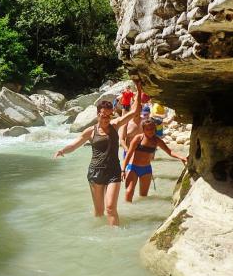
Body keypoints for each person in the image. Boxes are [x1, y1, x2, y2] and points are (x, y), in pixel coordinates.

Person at [53, 80, 142, 226]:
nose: (106, 118)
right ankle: (99, 237)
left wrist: (139, 89)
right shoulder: (90, 131)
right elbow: (75, 145)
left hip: (114, 172)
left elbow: (134, 112)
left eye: (109, 115)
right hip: (95, 173)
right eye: (103, 115)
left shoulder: (115, 125)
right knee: (99, 212)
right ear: (97, 114)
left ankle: (115, 237)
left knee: (110, 208)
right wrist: (62, 150)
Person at [121, 119, 187, 202]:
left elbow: (169, 152)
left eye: (152, 128)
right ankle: (128, 211)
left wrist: (181, 157)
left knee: (143, 196)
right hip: (133, 168)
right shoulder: (138, 138)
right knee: (129, 192)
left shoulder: (156, 140)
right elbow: (129, 154)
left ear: (155, 129)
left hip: (146, 170)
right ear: (143, 130)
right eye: (147, 129)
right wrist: (123, 169)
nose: (150, 131)